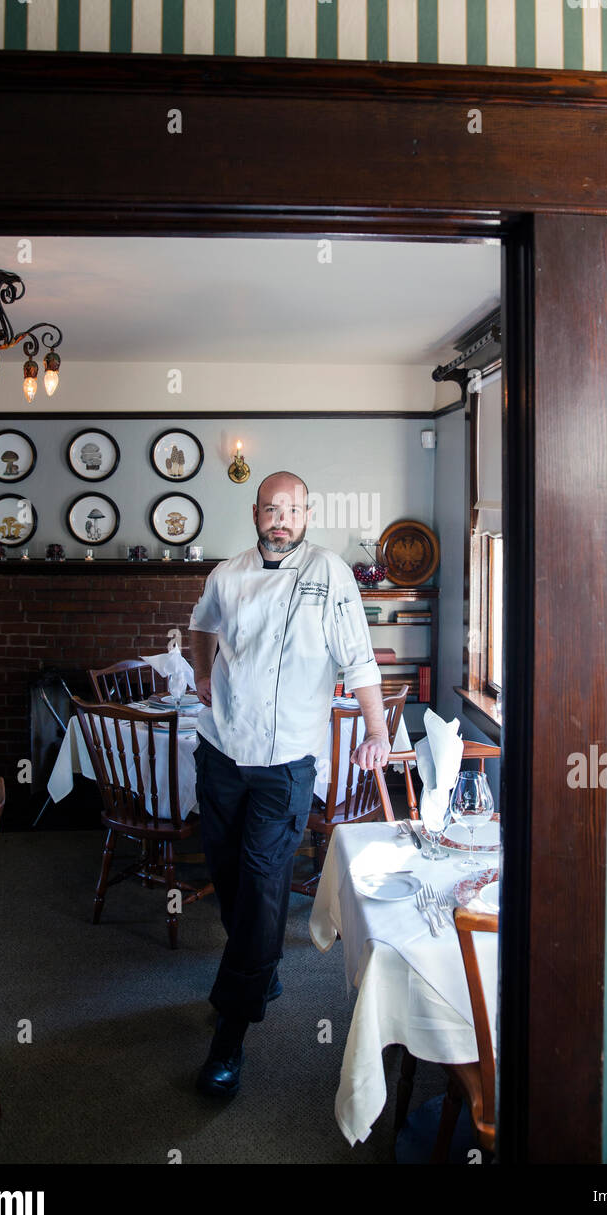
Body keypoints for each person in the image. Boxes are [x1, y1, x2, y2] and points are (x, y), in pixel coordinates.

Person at [188, 470, 390, 1097]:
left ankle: (229, 1036)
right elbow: (201, 626)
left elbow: (359, 658)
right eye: (272, 509)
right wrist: (201, 674)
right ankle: (261, 961)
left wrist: (377, 730)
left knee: (263, 884)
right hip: (221, 751)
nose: (282, 520)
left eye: (293, 510)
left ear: (307, 514)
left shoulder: (330, 574)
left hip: (286, 763)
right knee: (229, 879)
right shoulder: (227, 574)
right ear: (255, 512)